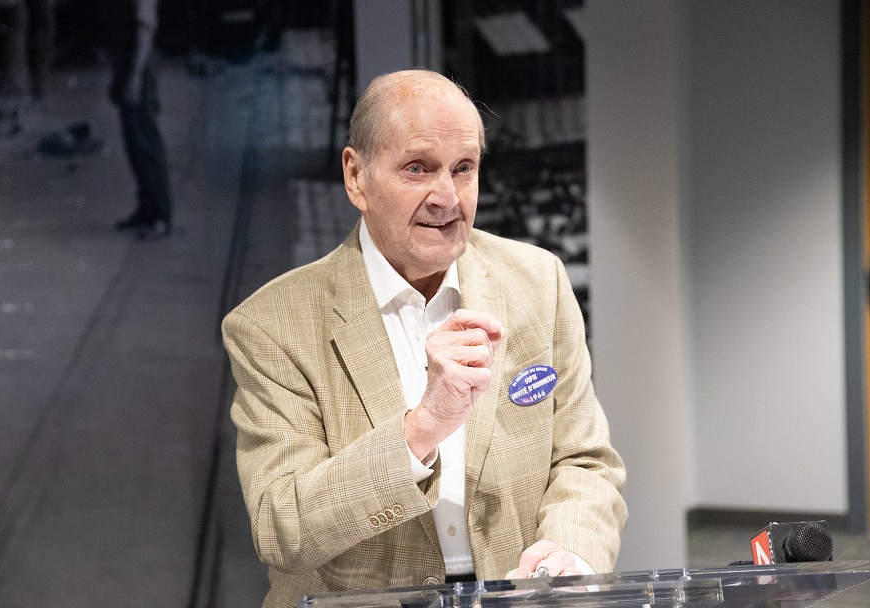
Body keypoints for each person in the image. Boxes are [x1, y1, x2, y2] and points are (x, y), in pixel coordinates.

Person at [222, 69, 627, 608]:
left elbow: (585, 462)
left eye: (464, 168)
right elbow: (283, 527)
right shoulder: (272, 326)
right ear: (356, 177)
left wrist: (569, 554)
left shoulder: (538, 282)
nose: (447, 197)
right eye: (418, 169)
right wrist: (422, 427)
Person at [104, 0, 173, 238]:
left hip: (138, 64)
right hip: (127, 62)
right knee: (134, 142)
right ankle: (146, 208)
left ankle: (161, 214)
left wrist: (136, 75)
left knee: (146, 144)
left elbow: (146, 29)